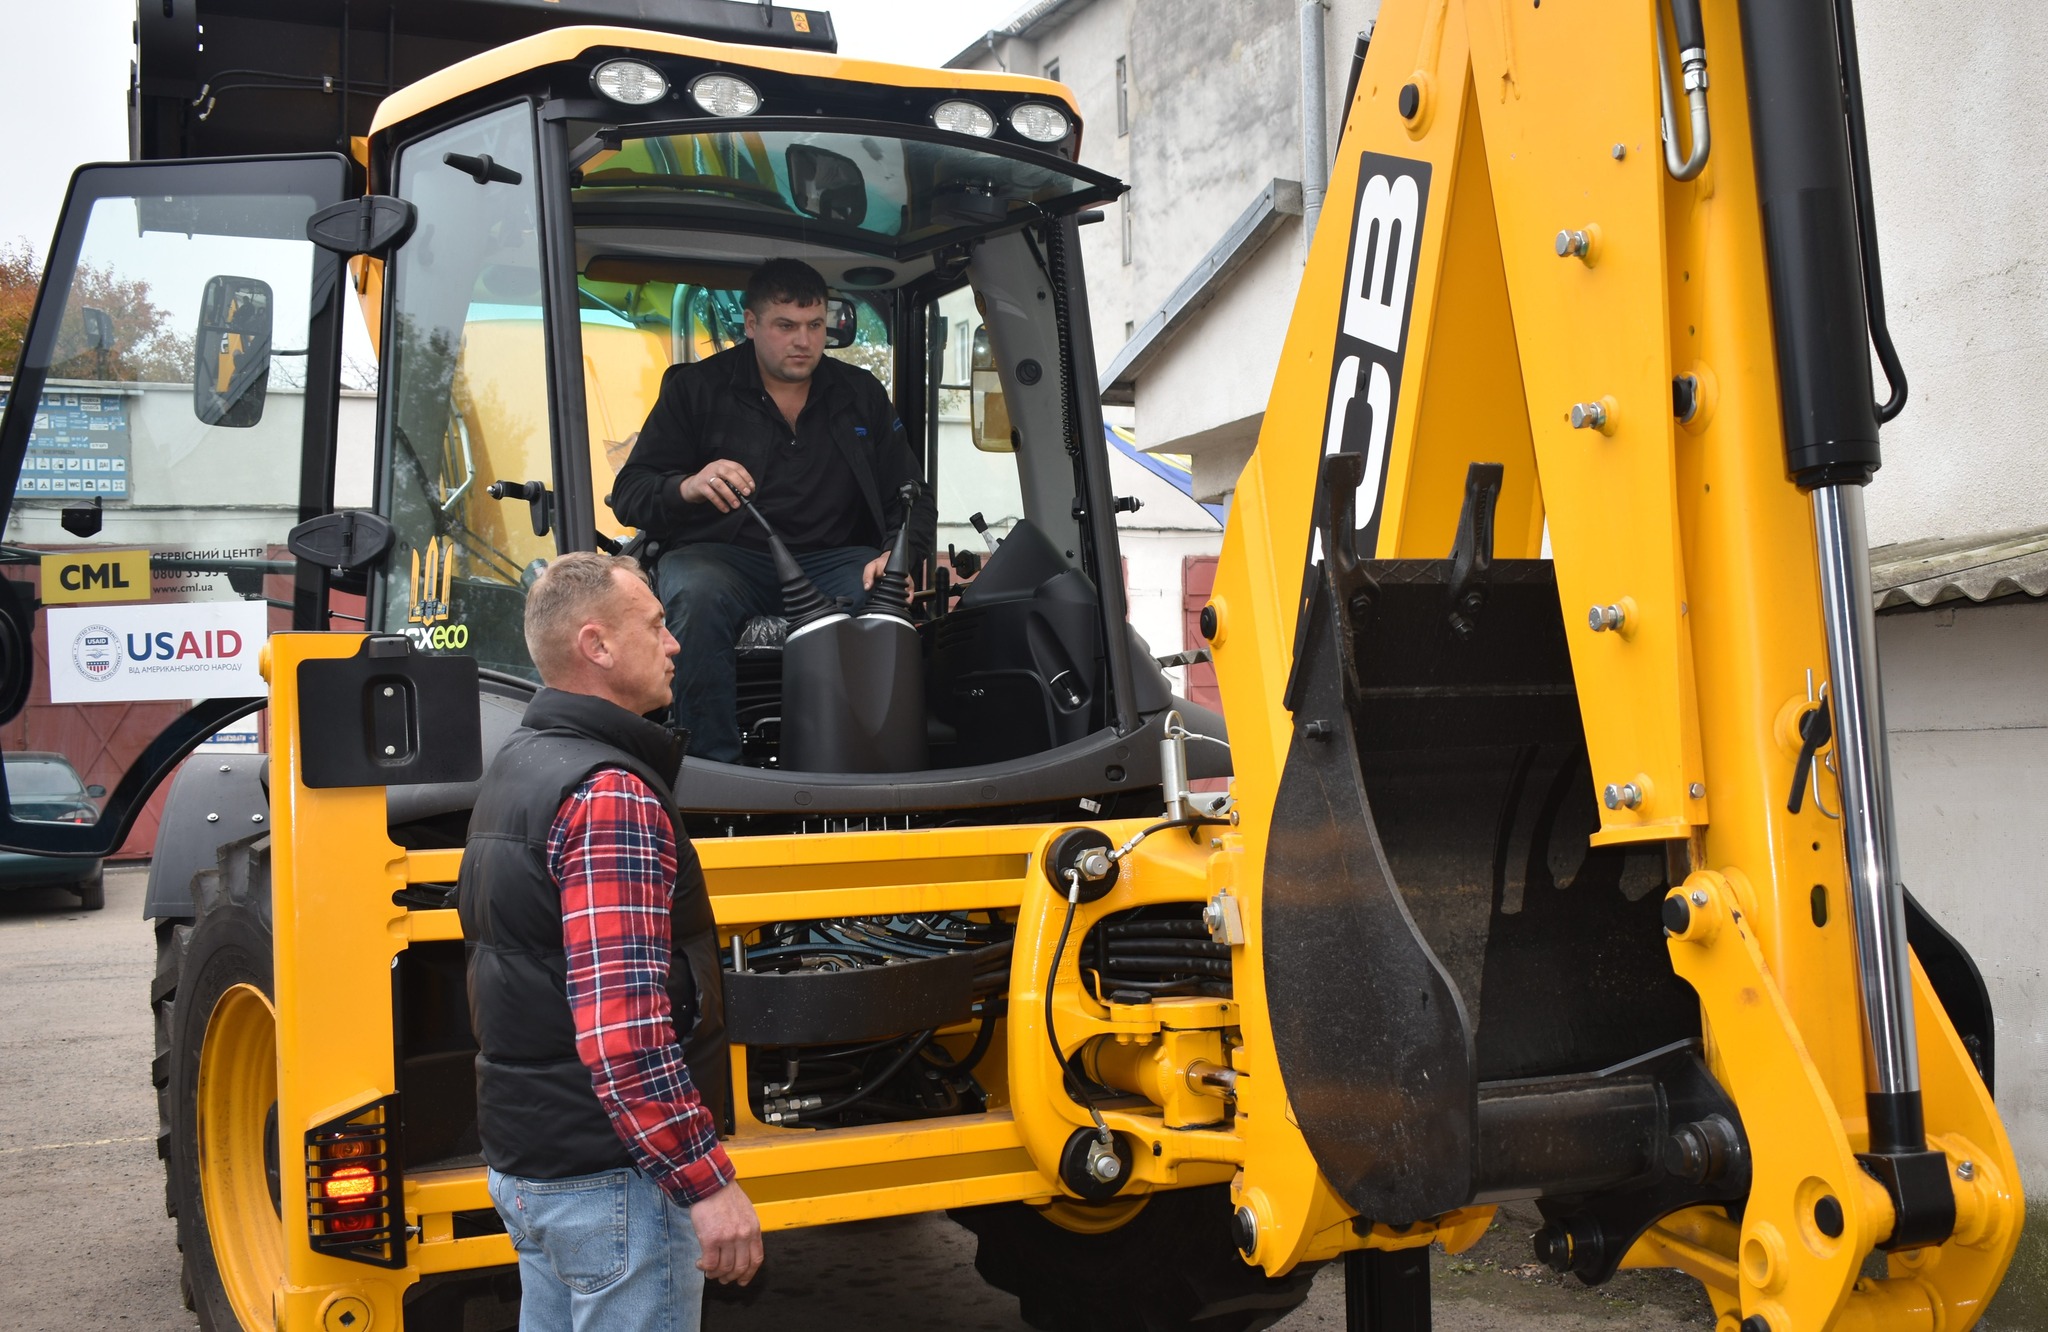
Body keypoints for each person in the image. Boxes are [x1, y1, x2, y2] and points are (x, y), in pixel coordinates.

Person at [458, 551, 762, 1330]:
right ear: (596, 645)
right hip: (614, 1181)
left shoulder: (520, 767)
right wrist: (705, 1180)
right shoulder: (609, 795)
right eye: (656, 625)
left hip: (537, 1168)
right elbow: (624, 1032)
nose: (675, 643)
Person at [609, 258, 935, 763]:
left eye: (814, 326)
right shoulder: (696, 390)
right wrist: (688, 486)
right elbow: (631, 492)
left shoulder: (860, 394)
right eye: (785, 326)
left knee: (885, 605)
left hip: (833, 559)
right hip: (725, 559)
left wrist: (897, 554)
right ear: (752, 324)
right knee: (695, 593)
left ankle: (866, 766)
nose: (802, 341)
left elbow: (912, 492)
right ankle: (713, 771)